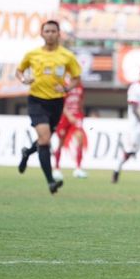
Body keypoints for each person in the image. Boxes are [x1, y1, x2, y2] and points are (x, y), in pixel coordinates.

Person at [16, 20, 82, 194]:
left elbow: (76, 77)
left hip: (56, 102)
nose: (50, 34)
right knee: (45, 140)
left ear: (59, 34)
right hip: (36, 100)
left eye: (53, 31)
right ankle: (51, 181)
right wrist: (24, 79)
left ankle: (27, 153)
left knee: (44, 139)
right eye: (47, 31)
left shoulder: (67, 56)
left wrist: (67, 87)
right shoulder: (32, 54)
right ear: (42, 34)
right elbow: (19, 70)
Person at [53, 82, 88, 180]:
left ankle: (78, 168)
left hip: (77, 115)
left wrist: (81, 113)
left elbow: (81, 100)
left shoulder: (80, 85)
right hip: (64, 116)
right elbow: (60, 103)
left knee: (80, 138)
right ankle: (56, 168)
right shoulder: (64, 83)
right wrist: (69, 116)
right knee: (61, 142)